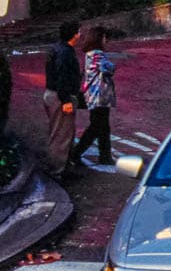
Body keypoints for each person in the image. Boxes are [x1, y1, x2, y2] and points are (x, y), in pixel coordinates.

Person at [71, 25, 117, 167]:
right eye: (104, 37)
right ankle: (76, 153)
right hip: (98, 95)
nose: (106, 40)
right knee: (97, 126)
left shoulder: (90, 54)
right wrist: (112, 66)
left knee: (102, 126)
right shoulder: (97, 54)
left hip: (96, 95)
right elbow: (108, 68)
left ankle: (105, 156)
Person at [43, 20, 82, 178]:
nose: (80, 35)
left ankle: (62, 168)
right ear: (74, 35)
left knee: (62, 133)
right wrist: (65, 99)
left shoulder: (57, 49)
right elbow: (62, 76)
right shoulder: (65, 53)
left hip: (53, 94)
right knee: (61, 135)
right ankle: (57, 171)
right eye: (78, 32)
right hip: (60, 97)